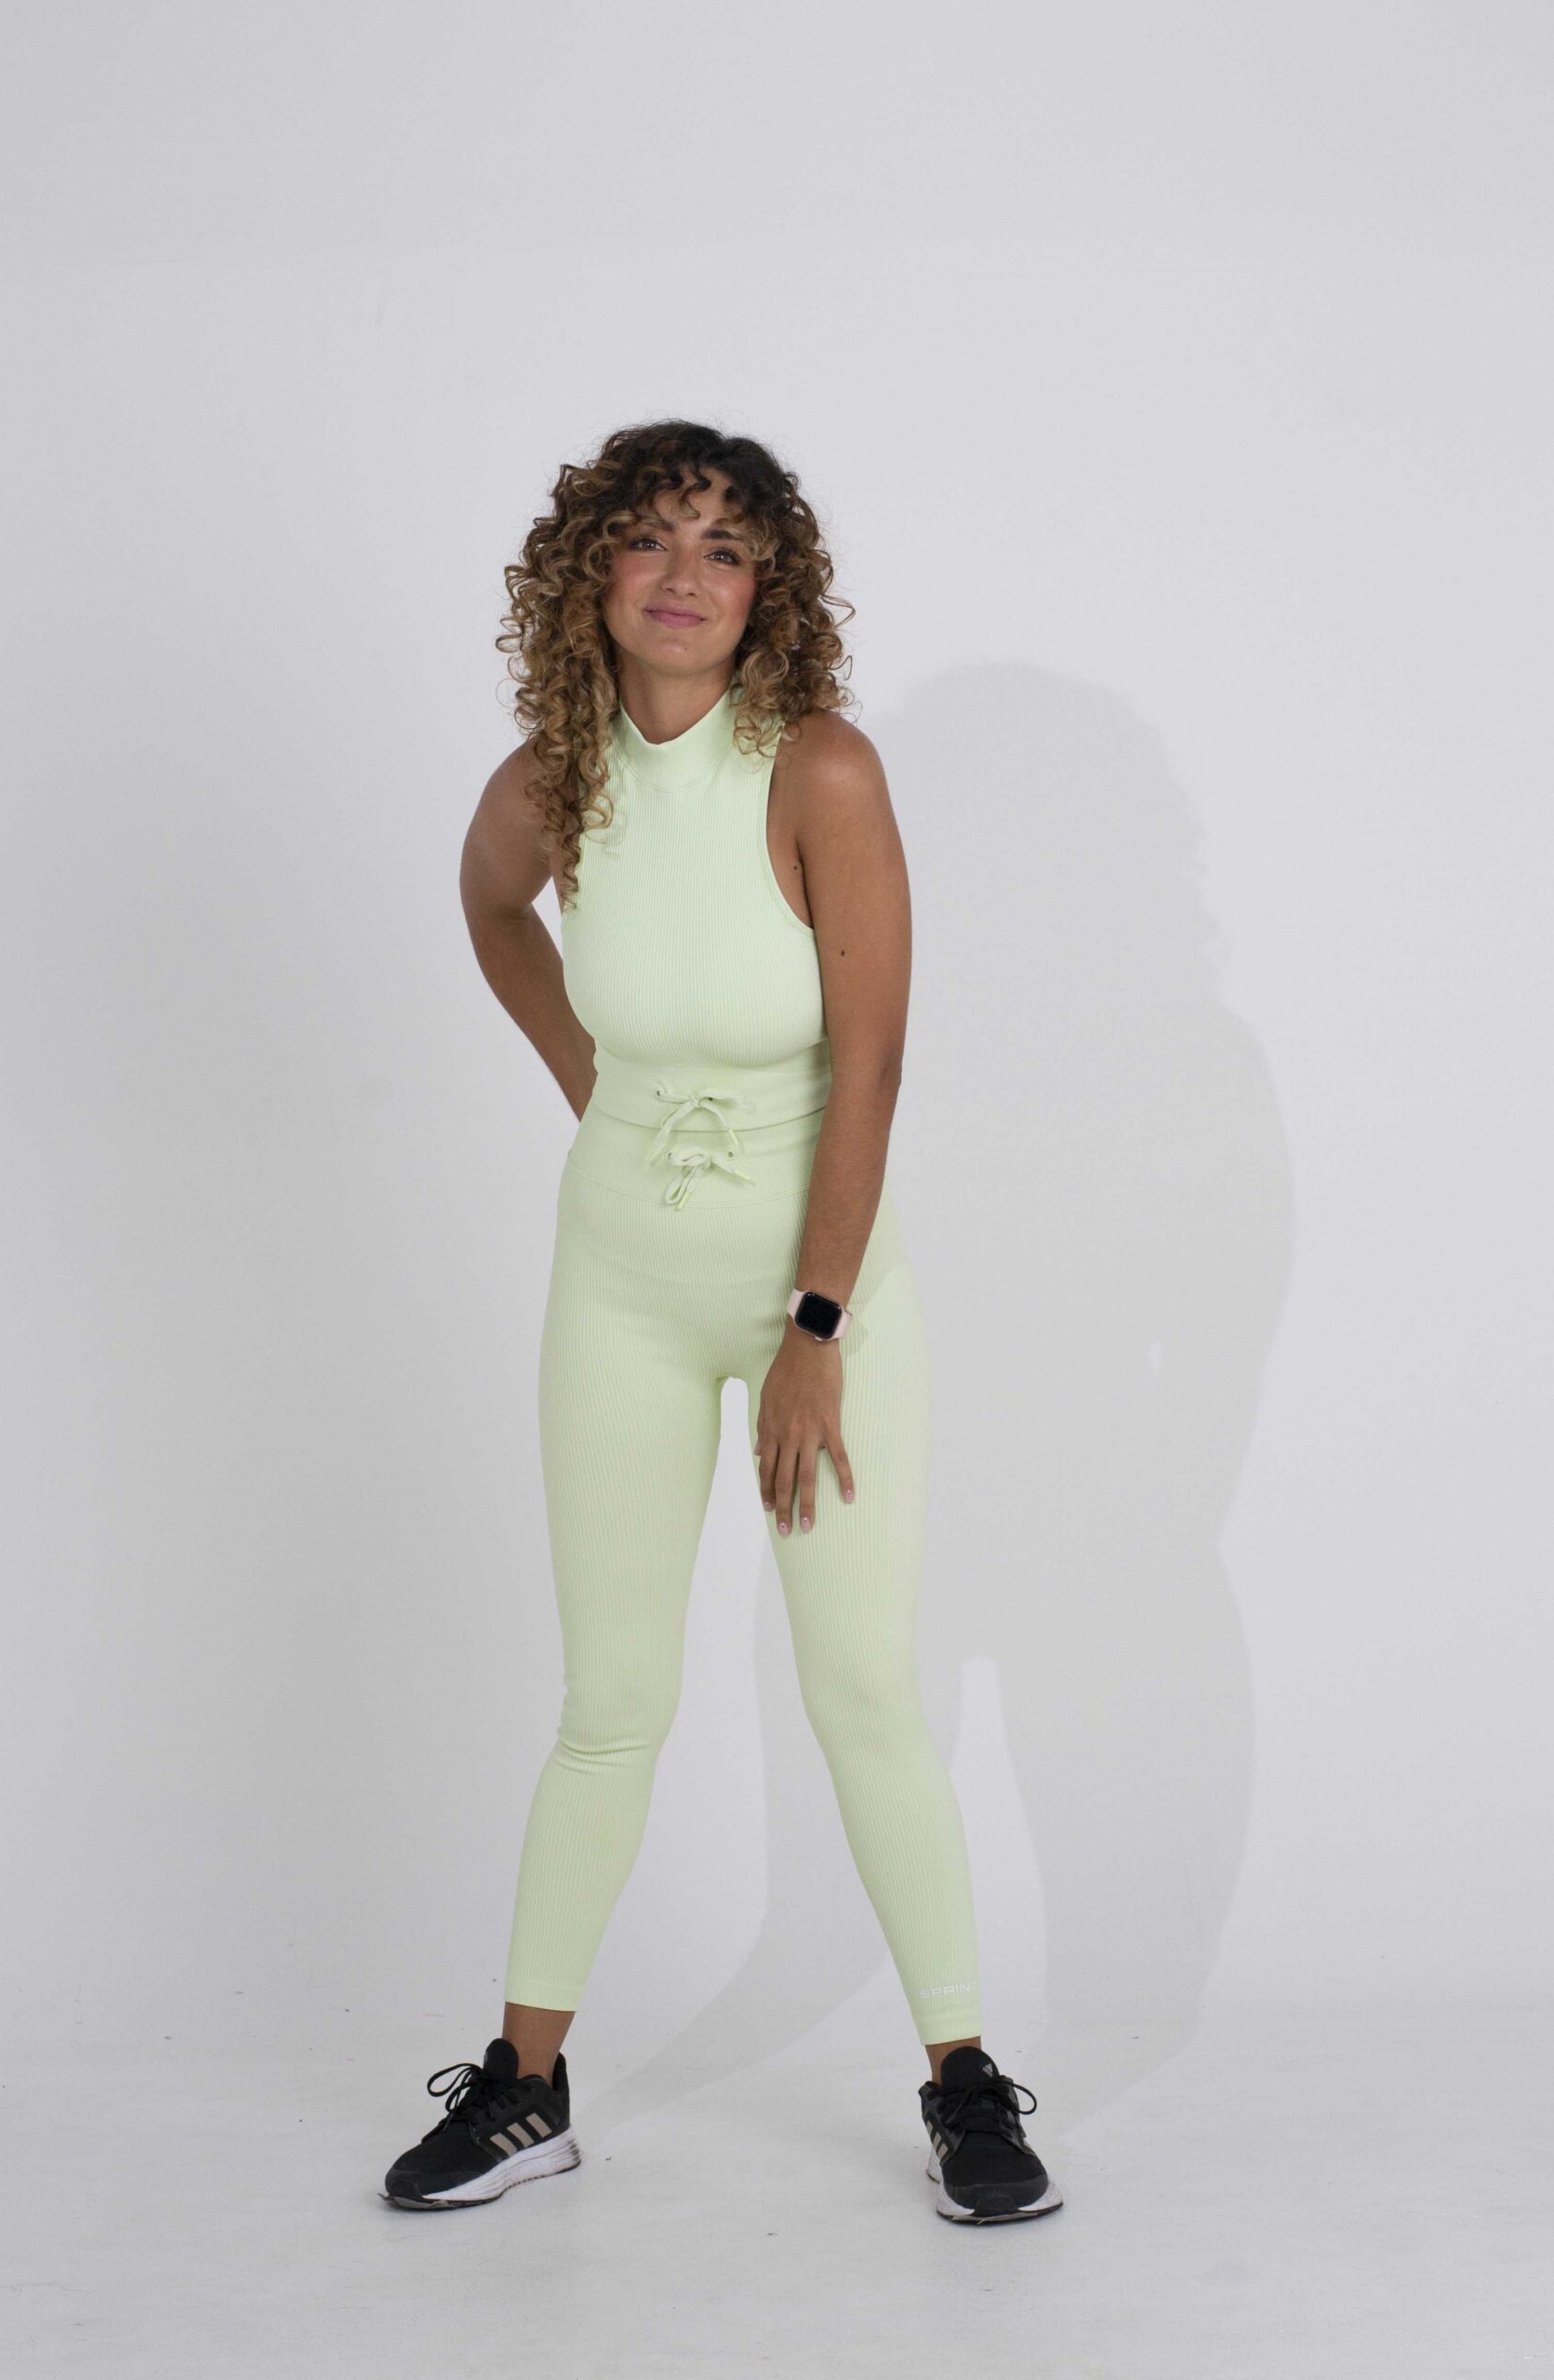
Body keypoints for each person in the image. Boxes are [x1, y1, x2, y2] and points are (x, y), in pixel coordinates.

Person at [380, 420, 1062, 2225]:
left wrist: (813, 1325)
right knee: (612, 1699)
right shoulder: (552, 782)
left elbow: (874, 1065)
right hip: (616, 1285)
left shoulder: (816, 770)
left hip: (815, 1298)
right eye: (651, 538)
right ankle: (526, 2086)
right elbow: (488, 907)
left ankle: (963, 2077)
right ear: (589, 571)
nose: (683, 575)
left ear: (769, 594)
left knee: (861, 1693)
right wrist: (589, 1081)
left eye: (726, 548)